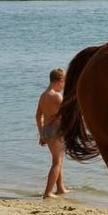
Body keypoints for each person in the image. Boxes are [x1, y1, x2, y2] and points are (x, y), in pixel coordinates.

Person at [36, 68, 68, 199]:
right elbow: (66, 113)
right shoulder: (57, 96)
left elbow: (38, 116)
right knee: (57, 162)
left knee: (58, 159)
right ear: (59, 81)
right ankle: (48, 192)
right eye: (64, 82)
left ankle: (60, 188)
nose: (64, 85)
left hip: (47, 131)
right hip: (57, 132)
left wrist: (42, 133)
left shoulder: (43, 95)